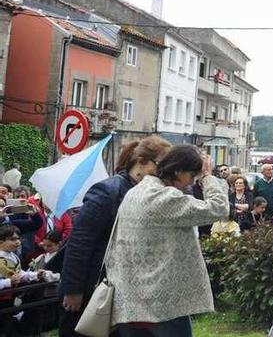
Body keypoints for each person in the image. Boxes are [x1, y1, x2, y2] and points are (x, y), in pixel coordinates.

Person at [105, 144, 229, 336]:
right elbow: (219, 208)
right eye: (192, 176)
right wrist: (207, 177)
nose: (190, 183)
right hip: (162, 305)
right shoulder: (163, 197)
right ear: (178, 171)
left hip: (129, 302)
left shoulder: (135, 192)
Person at [60, 135, 171, 337]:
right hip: (96, 289)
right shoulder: (108, 192)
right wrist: (73, 289)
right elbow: (80, 242)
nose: (163, 173)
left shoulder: (151, 193)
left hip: (129, 293)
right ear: (141, 162)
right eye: (160, 165)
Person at [0, 224, 57, 336]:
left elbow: (20, 273)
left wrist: (35, 275)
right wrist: (8, 282)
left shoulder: (13, 256)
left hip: (10, 298)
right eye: (12, 239)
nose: (17, 242)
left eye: (18, 238)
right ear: (1, 241)